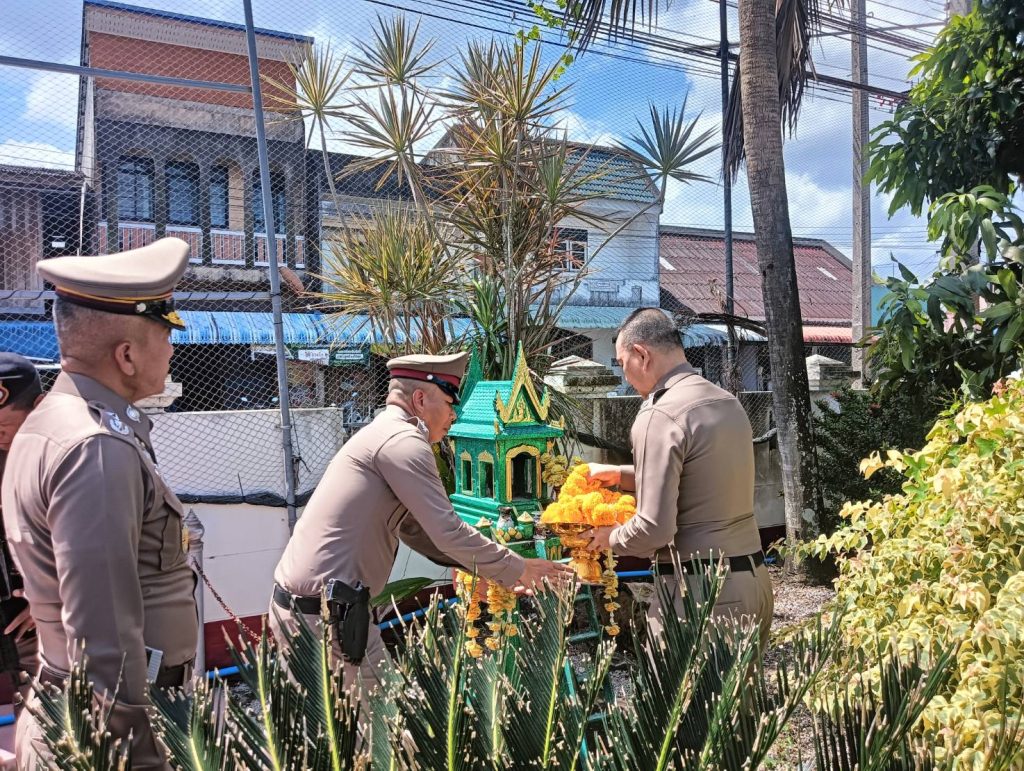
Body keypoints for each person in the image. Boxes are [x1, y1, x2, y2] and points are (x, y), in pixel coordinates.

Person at [2, 238, 199, 770]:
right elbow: (103, 639)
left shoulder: (54, 423)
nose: (172, 350)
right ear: (127, 355)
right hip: (113, 733)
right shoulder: (95, 446)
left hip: (78, 711)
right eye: (166, 334)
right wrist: (140, 755)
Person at [270, 352, 573, 692]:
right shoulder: (403, 441)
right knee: (375, 722)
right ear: (419, 399)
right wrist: (518, 568)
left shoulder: (384, 434)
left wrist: (493, 569)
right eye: (449, 402)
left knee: (370, 718)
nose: (454, 415)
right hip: (326, 618)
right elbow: (447, 531)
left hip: (324, 613)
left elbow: (418, 531)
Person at [582, 308, 773, 648]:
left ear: (641, 355)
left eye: (622, 363)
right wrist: (619, 475)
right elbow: (697, 478)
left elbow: (653, 530)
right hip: (752, 584)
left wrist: (608, 538)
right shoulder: (725, 401)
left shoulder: (660, 414)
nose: (625, 376)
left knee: (678, 685)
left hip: (700, 594)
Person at [0, 354, 44, 710]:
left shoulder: (57, 455)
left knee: (42, 710)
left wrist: (46, 596)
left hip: (32, 621)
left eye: (4, 427)